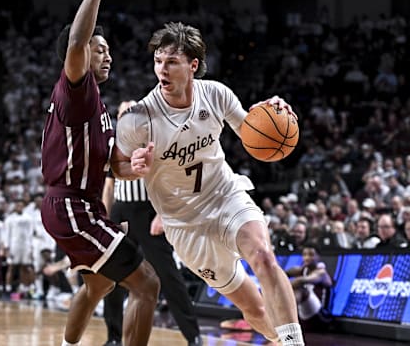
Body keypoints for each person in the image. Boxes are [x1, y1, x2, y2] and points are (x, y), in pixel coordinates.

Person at [112, 22, 304, 345]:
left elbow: (252, 133)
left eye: (172, 61)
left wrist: (273, 112)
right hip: (186, 226)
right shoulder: (139, 118)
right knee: (254, 309)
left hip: (225, 195)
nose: (162, 69)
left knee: (264, 257)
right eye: (158, 60)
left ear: (193, 66)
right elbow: (116, 165)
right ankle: (279, 339)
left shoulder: (215, 94)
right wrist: (131, 166)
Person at [39, 0, 160, 345]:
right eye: (100, 49)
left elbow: (113, 166)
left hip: (82, 206)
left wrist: (134, 164)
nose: (108, 56)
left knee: (99, 287)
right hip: (71, 206)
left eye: (109, 50)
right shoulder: (77, 90)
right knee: (146, 284)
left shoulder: (99, 108)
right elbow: (76, 42)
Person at [101, 100, 201, 346]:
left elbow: (168, 182)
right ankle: (113, 337)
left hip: (149, 211)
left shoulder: (156, 141)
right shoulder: (113, 145)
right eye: (124, 112)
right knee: (111, 276)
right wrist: (105, 215)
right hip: (120, 212)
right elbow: (109, 184)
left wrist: (162, 215)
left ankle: (193, 335)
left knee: (168, 275)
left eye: (132, 111)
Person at [286, 244, 333, 330]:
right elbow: (283, 273)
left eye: (311, 255)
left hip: (322, 316)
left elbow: (301, 280)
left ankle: (286, 322)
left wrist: (282, 291)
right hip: (307, 315)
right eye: (304, 255)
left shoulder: (321, 272)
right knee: (294, 287)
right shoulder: (302, 269)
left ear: (318, 257)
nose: (307, 258)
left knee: (301, 289)